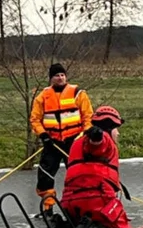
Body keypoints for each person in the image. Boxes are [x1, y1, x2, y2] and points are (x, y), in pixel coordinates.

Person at [46, 105, 131, 228]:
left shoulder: (76, 143)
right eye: (116, 129)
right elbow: (96, 145)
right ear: (109, 128)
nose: (118, 134)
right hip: (96, 198)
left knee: (83, 225)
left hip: (69, 201)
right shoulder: (102, 139)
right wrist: (97, 136)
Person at [29, 63, 94, 215]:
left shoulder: (77, 93)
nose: (60, 78)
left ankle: (81, 207)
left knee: (79, 175)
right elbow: (35, 119)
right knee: (45, 175)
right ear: (51, 78)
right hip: (52, 142)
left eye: (62, 75)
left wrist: (84, 135)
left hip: (74, 141)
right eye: (57, 75)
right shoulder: (43, 97)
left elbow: (88, 116)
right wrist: (43, 135)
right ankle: (47, 208)